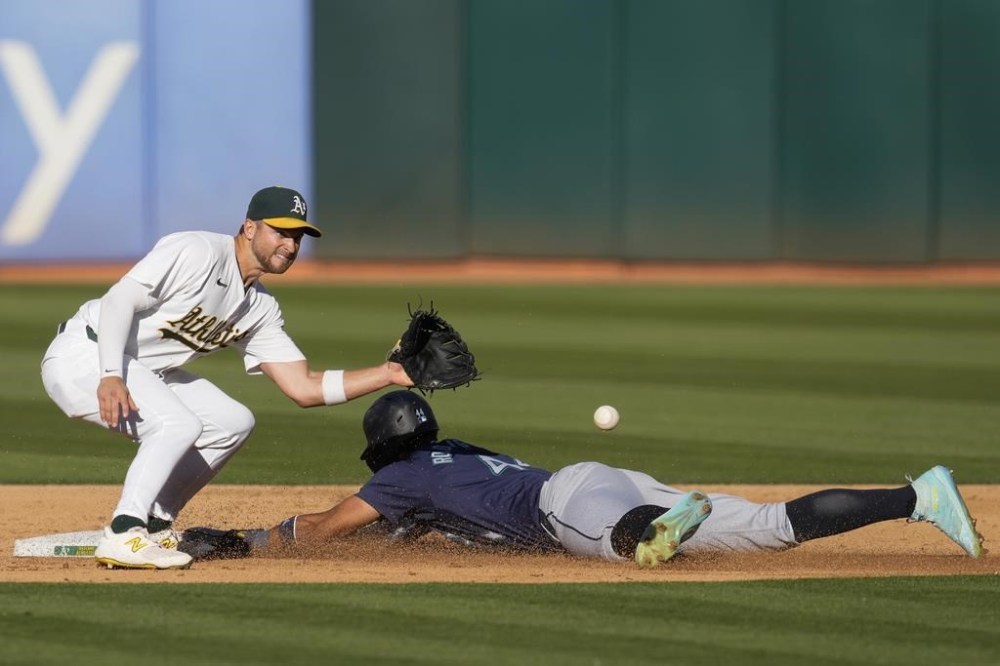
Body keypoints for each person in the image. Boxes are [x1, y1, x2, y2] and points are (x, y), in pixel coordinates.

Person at [40, 186, 415, 570]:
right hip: (84, 356)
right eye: (281, 232)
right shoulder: (197, 251)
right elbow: (121, 299)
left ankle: (155, 524)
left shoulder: (259, 307)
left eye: (297, 236)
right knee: (177, 422)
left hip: (142, 370)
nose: (290, 244)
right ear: (249, 228)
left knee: (232, 422)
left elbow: (304, 388)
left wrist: (388, 373)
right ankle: (125, 532)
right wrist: (110, 375)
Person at [181, 390, 985, 566]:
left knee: (628, 551)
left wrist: (253, 539)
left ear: (382, 449)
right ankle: (920, 495)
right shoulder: (450, 456)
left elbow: (326, 528)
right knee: (772, 527)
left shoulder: (400, 479)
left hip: (572, 504)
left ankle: (657, 530)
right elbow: (435, 511)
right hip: (596, 476)